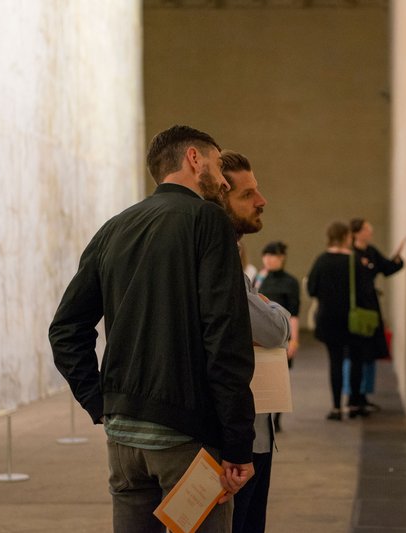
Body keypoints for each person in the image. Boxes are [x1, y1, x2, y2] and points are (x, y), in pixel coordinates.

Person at [49, 125, 255, 533]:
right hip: (186, 439)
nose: (222, 177)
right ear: (194, 159)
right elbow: (224, 335)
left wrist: (101, 402)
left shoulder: (115, 227)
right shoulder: (207, 219)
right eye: (216, 163)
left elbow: (65, 328)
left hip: (123, 440)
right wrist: (237, 443)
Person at [219, 150, 290, 533]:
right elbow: (274, 328)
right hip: (236, 441)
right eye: (247, 194)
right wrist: (270, 309)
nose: (261, 201)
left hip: (241, 433)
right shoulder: (218, 262)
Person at [306, 221, 375, 420]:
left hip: (328, 319)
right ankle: (353, 404)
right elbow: (365, 291)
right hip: (352, 320)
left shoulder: (321, 260)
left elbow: (311, 289)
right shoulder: (354, 261)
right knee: (356, 360)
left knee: (335, 362)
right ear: (346, 237)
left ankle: (336, 408)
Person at [345, 218, 405, 411]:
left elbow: (387, 268)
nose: (370, 232)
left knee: (369, 353)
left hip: (371, 308)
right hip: (356, 310)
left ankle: (363, 395)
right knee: (355, 355)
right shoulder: (350, 254)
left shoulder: (371, 251)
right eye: (367, 229)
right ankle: (353, 397)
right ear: (357, 232)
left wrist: (398, 259)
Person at [254, 240, 300, 432]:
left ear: (282, 258)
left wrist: (294, 340)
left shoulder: (290, 282)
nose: (269, 259)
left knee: (280, 377)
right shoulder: (258, 277)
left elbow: (294, 313)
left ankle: (277, 419)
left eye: (274, 256)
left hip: (282, 334)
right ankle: (264, 417)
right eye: (267, 255)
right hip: (258, 336)